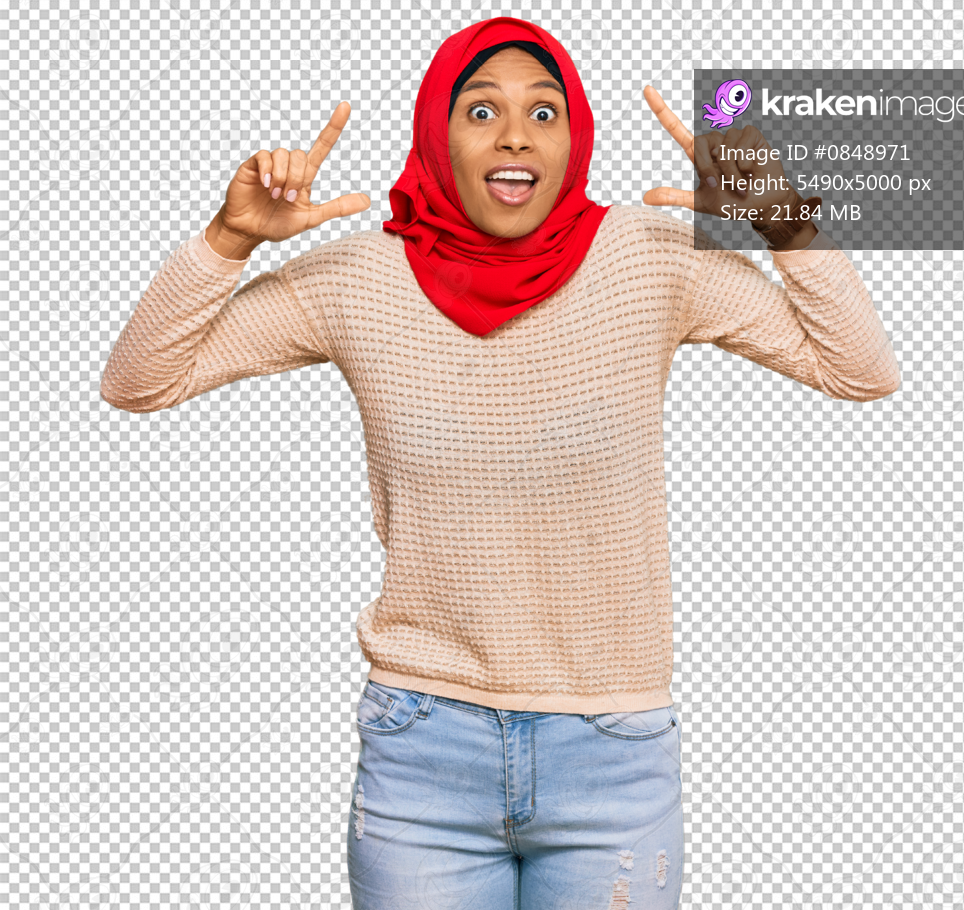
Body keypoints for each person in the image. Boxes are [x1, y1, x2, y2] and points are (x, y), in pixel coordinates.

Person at [100, 16, 900, 910]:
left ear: (574, 138)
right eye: (480, 110)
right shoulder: (360, 278)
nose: (515, 134)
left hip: (612, 752)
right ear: (438, 134)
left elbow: (858, 371)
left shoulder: (647, 259)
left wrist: (788, 226)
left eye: (544, 113)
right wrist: (229, 238)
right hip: (423, 751)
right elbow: (141, 381)